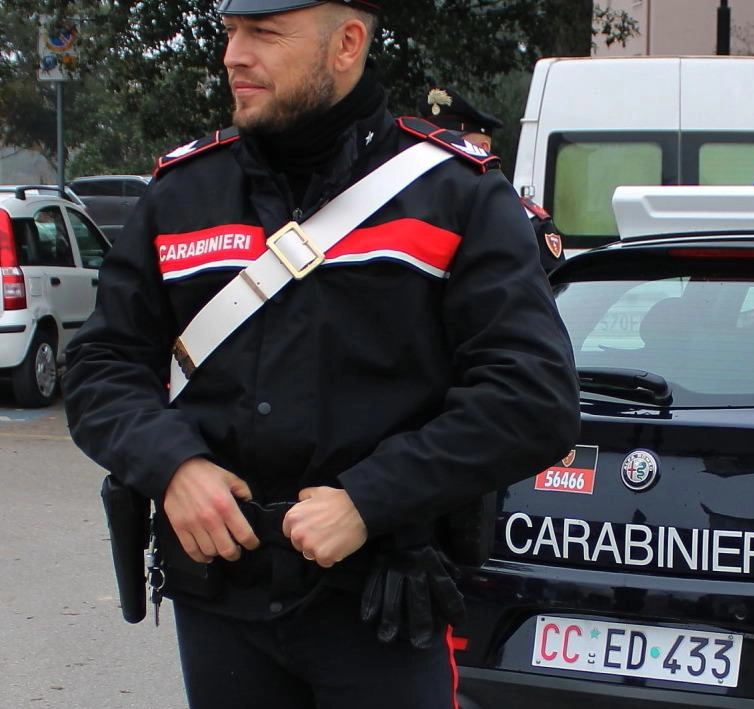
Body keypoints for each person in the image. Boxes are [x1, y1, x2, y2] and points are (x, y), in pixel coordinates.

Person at [62, 1, 580, 708]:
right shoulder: (183, 193)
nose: (233, 56)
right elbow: (102, 366)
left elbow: (532, 399)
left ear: (346, 44)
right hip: (222, 598)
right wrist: (172, 464)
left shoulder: (453, 194)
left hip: (382, 604)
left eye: (263, 34)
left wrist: (370, 498)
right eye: (230, 33)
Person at [425, 85, 567, 273]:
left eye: (450, 145)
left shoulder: (528, 222)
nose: (438, 154)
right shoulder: (415, 212)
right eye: (433, 145)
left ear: (482, 149)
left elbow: (553, 294)